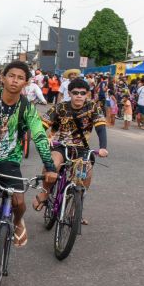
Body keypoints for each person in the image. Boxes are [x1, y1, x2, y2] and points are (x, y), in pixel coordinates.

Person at [0, 61, 57, 280]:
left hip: (9, 159)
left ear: (26, 82)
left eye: (20, 78)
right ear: (3, 78)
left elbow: (39, 135)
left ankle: (17, 222)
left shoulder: (27, 107)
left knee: (18, 202)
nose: (15, 81)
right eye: (11, 76)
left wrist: (50, 165)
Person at [32, 77, 109, 224]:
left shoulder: (93, 107)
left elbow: (101, 128)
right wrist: (42, 137)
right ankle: (45, 192)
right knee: (53, 164)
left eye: (82, 93)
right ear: (69, 93)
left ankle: (75, 209)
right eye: (75, 93)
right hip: (60, 145)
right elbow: (42, 126)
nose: (79, 96)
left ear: (87, 94)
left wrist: (103, 147)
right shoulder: (59, 107)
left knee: (86, 174)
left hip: (81, 148)